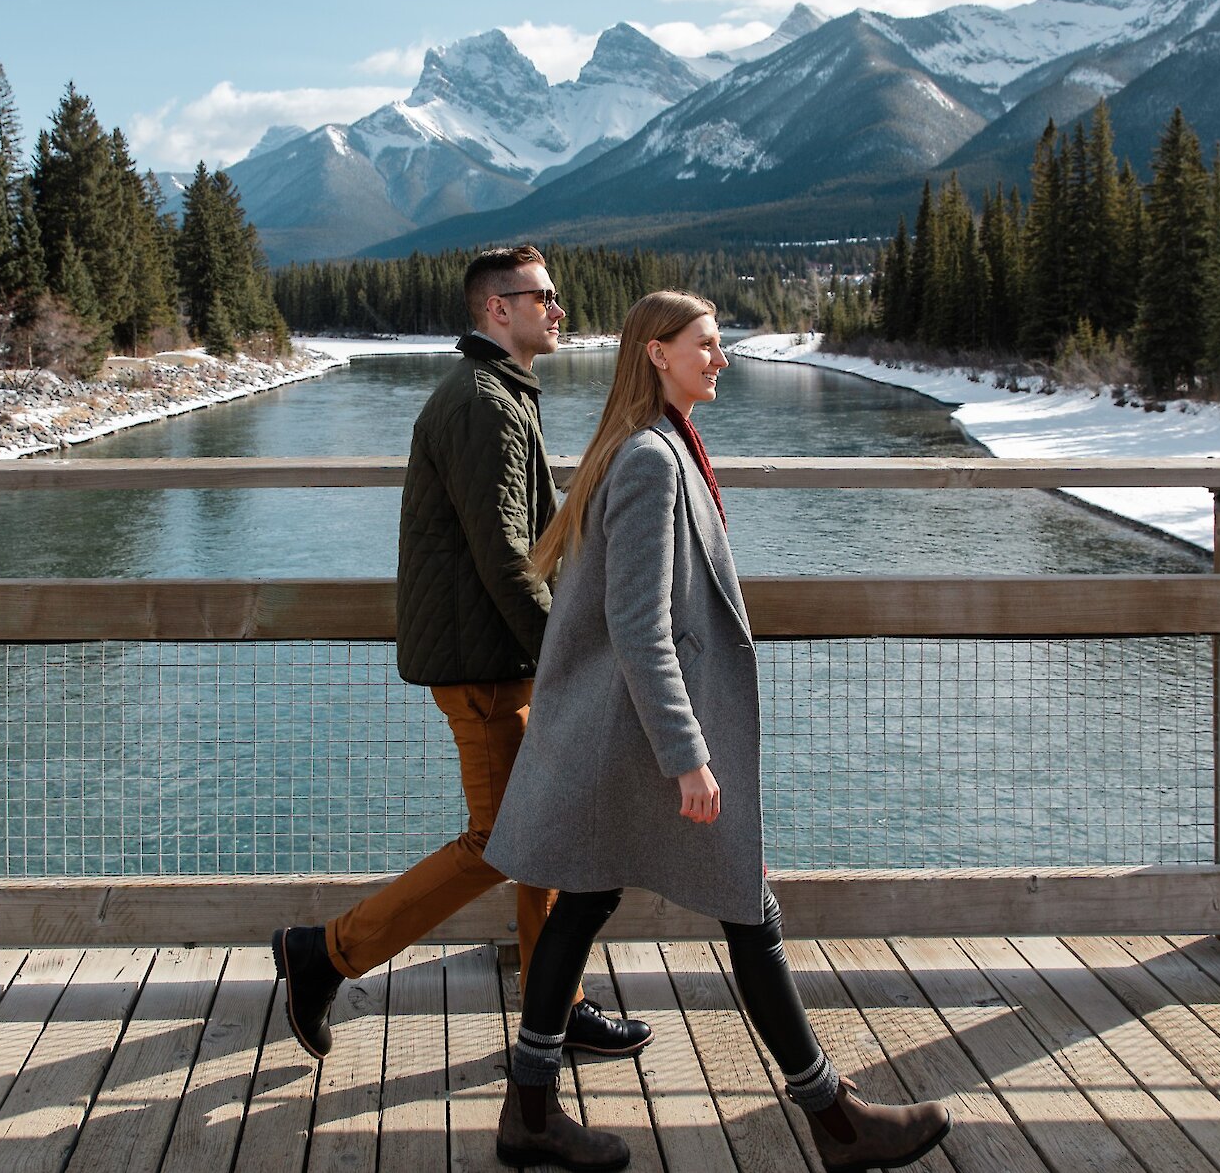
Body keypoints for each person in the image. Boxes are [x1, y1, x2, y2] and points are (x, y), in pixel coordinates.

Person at [483, 291, 953, 1172]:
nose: (722, 358)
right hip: (642, 743)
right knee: (747, 910)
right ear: (657, 353)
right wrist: (689, 754)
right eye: (707, 344)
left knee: (588, 903)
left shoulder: (653, 445)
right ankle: (835, 1119)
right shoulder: (655, 460)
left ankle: (530, 1111)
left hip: (618, 740)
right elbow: (639, 625)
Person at [271, 245, 652, 1063]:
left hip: (494, 657)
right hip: (486, 668)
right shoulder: (484, 403)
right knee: (507, 840)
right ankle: (325, 953)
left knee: (537, 831)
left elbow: (526, 540)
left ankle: (556, 1000)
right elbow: (506, 556)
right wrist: (566, 655)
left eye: (557, 295)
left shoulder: (501, 392)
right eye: (542, 297)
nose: (559, 309)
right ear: (495, 310)